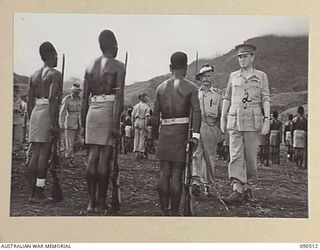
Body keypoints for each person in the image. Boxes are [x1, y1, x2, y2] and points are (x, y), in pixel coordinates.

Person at [81, 30, 125, 212]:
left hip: (92, 110)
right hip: (108, 111)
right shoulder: (119, 66)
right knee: (104, 159)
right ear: (114, 45)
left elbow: (84, 98)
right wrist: (115, 124)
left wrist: (83, 125)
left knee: (92, 157)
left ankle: (91, 203)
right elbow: (119, 97)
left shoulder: (90, 66)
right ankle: (101, 202)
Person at [220, 43, 270, 204]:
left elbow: (265, 98)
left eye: (245, 56)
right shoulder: (233, 76)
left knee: (250, 157)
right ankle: (236, 188)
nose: (242, 59)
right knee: (235, 155)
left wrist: (267, 120)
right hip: (234, 119)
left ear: (252, 57)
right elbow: (227, 97)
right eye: (240, 57)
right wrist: (223, 117)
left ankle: (247, 187)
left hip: (252, 121)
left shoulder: (261, 76)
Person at [153, 51, 201, 216]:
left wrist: (154, 138)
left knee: (164, 172)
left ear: (170, 67)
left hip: (165, 131)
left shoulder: (160, 88)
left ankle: (163, 209)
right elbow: (197, 111)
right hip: (182, 133)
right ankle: (174, 210)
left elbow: (155, 115)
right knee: (177, 173)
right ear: (186, 67)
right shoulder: (191, 87)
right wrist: (195, 136)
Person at [27, 41, 62, 203]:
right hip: (48, 112)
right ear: (50, 55)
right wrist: (54, 123)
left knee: (35, 153)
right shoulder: (55, 74)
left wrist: (32, 120)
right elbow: (53, 100)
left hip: (35, 114)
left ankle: (33, 192)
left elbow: (29, 103)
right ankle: (39, 192)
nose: (57, 59)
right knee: (44, 154)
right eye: (55, 56)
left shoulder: (33, 75)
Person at [191, 64, 222, 197]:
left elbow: (221, 114)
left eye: (209, 76)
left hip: (211, 127)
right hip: (197, 127)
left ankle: (208, 185)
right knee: (196, 154)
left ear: (212, 77)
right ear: (200, 78)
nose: (206, 79)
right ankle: (196, 182)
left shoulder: (218, 95)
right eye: (204, 76)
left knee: (209, 157)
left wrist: (221, 131)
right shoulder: (195, 93)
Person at [59, 83, 82, 166]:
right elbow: (62, 112)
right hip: (69, 124)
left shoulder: (80, 99)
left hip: (78, 123)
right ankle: (70, 159)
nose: (77, 93)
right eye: (75, 92)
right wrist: (61, 124)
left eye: (78, 92)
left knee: (80, 142)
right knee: (70, 143)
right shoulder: (67, 99)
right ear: (72, 91)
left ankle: (67, 154)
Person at [132, 93, 150, 159]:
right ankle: (141, 152)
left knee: (136, 137)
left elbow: (132, 116)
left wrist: (132, 124)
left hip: (136, 121)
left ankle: (136, 152)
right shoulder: (146, 107)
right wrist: (146, 126)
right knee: (142, 137)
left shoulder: (135, 106)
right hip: (142, 120)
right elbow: (146, 117)